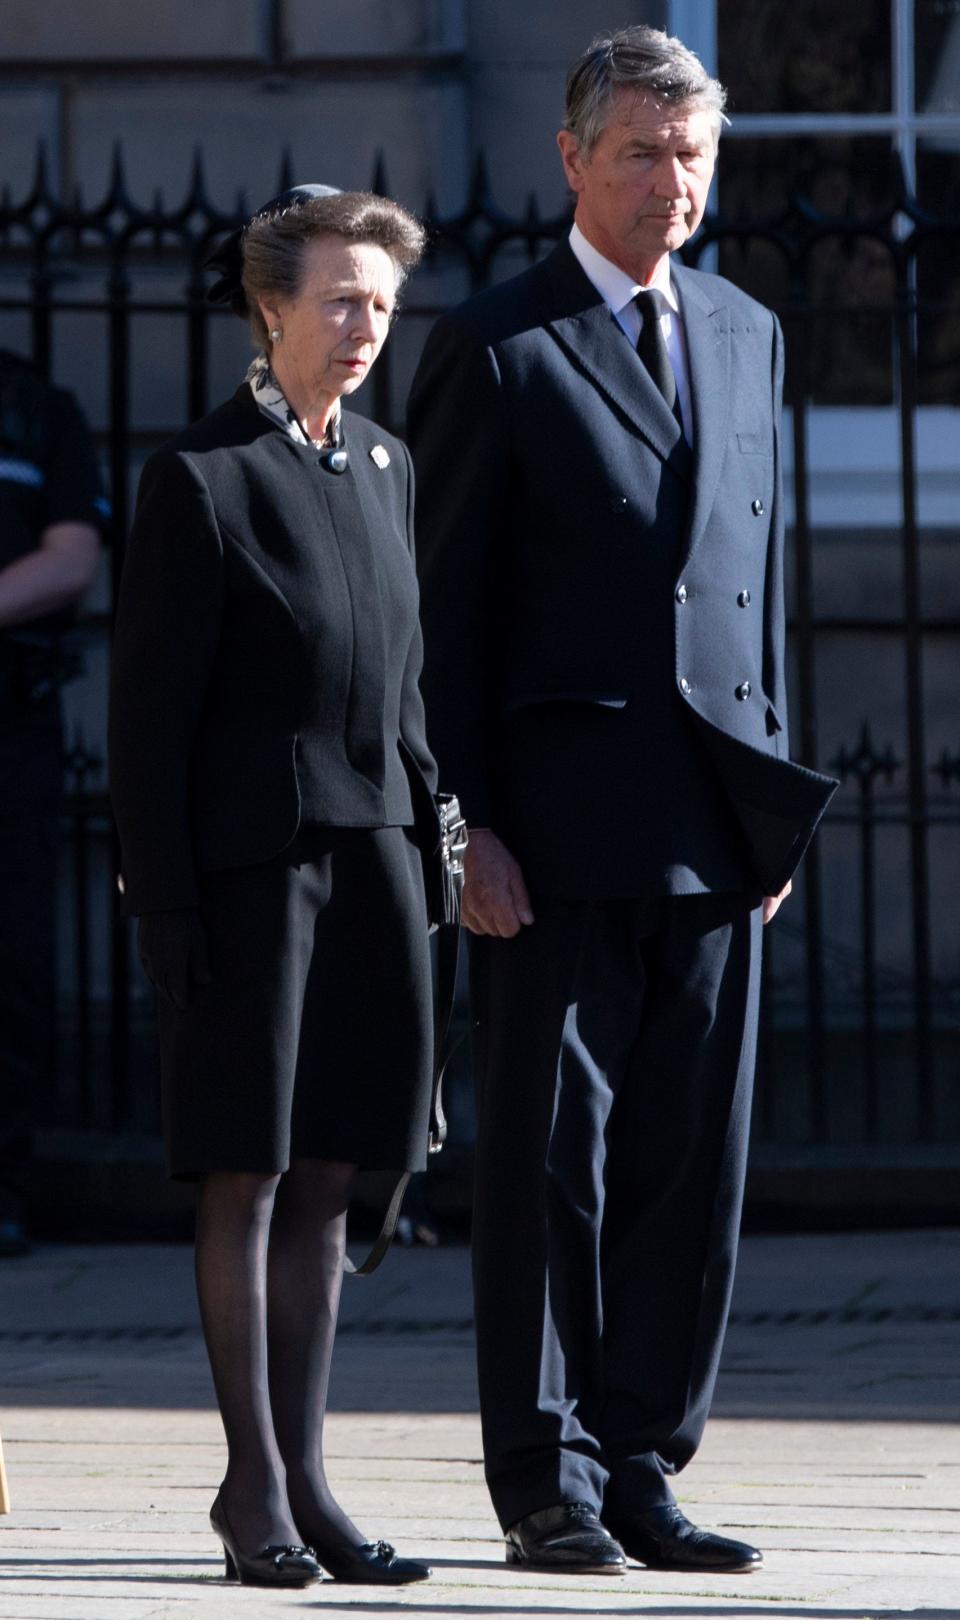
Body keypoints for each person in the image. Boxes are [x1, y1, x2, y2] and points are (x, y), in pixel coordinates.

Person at [407, 26, 836, 1578]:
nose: (676, 183)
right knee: (549, 1163)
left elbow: (758, 588)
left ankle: (647, 1453)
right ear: (576, 160)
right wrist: (463, 833)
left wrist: (769, 807)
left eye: (696, 156)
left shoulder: (744, 329)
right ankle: (546, 1473)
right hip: (552, 837)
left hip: (717, 832)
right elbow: (436, 629)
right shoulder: (500, 346)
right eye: (646, 153)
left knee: (684, 1162)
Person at [109, 185, 437, 1589]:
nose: (364, 326)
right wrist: (167, 904)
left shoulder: (384, 464)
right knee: (244, 1176)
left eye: (380, 302)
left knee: (334, 1179)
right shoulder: (200, 477)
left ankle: (310, 1478)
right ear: (271, 309)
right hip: (249, 877)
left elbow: (409, 691)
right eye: (339, 302)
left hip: (373, 863)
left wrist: (440, 846)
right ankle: (251, 1489)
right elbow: (148, 723)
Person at [0, 351, 106, 1257]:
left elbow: (71, 560)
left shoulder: (35, 407)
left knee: (10, 958)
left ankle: (3, 1182)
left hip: (9, 716)